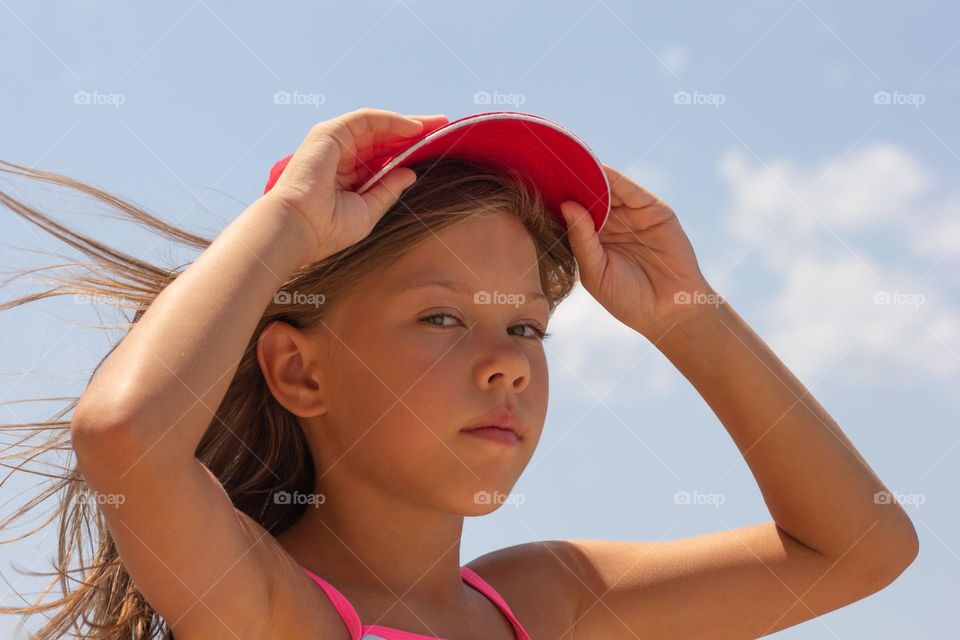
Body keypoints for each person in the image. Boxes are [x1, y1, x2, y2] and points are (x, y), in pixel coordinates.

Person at [0, 107, 918, 639]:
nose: (506, 367)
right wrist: (287, 223)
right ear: (298, 371)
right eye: (441, 317)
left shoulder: (542, 600)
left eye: (527, 325)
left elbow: (859, 549)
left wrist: (689, 315)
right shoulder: (274, 610)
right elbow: (125, 439)